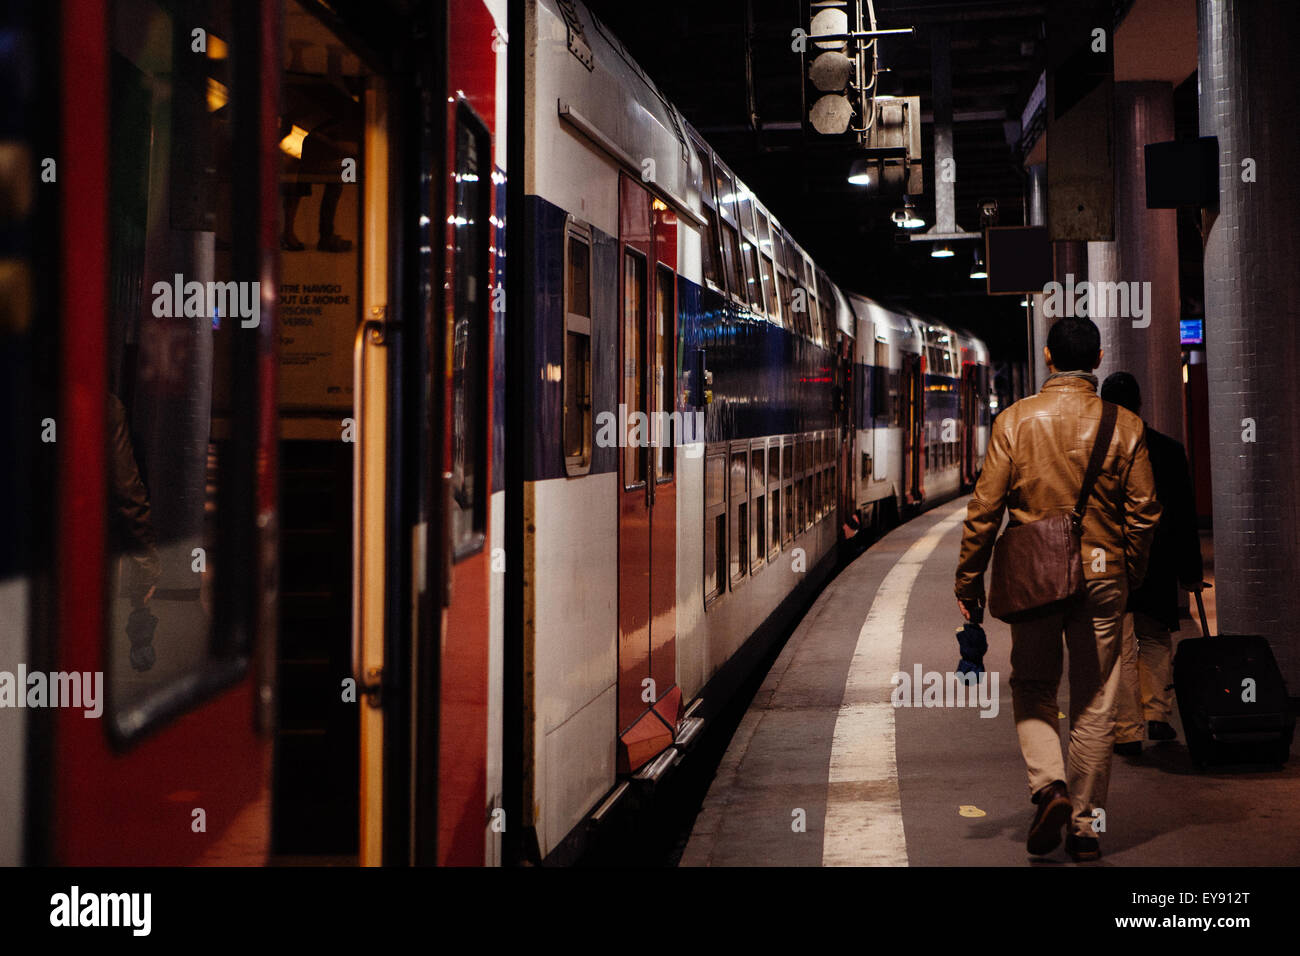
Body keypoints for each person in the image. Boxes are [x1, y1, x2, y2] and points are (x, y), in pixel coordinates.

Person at [954, 318, 1161, 862]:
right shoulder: (1127, 425)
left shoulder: (1015, 421)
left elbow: (984, 511)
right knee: (1096, 700)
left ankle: (1050, 787)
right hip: (1104, 576)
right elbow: (1143, 515)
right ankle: (1086, 829)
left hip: (1036, 577)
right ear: (1096, 358)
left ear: (1048, 358)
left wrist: (969, 580)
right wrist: (1128, 574)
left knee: (1033, 685)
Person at [1099, 372, 1205, 755]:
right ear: (1140, 404)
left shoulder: (1097, 450)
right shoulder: (1169, 449)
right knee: (1156, 637)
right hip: (1158, 560)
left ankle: (1127, 731)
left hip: (1112, 560)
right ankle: (1157, 713)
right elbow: (1183, 516)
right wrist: (1191, 572)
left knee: (1122, 646)